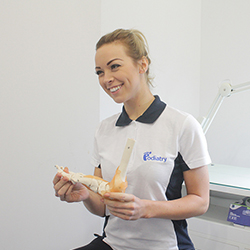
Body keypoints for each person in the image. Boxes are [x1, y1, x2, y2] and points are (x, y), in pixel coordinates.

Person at [53, 28, 211, 250]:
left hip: (165, 245)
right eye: (99, 72)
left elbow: (201, 202)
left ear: (142, 65)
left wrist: (146, 208)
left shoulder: (182, 125)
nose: (107, 79)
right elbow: (103, 206)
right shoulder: (104, 130)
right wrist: (86, 195)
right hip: (113, 244)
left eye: (114, 66)